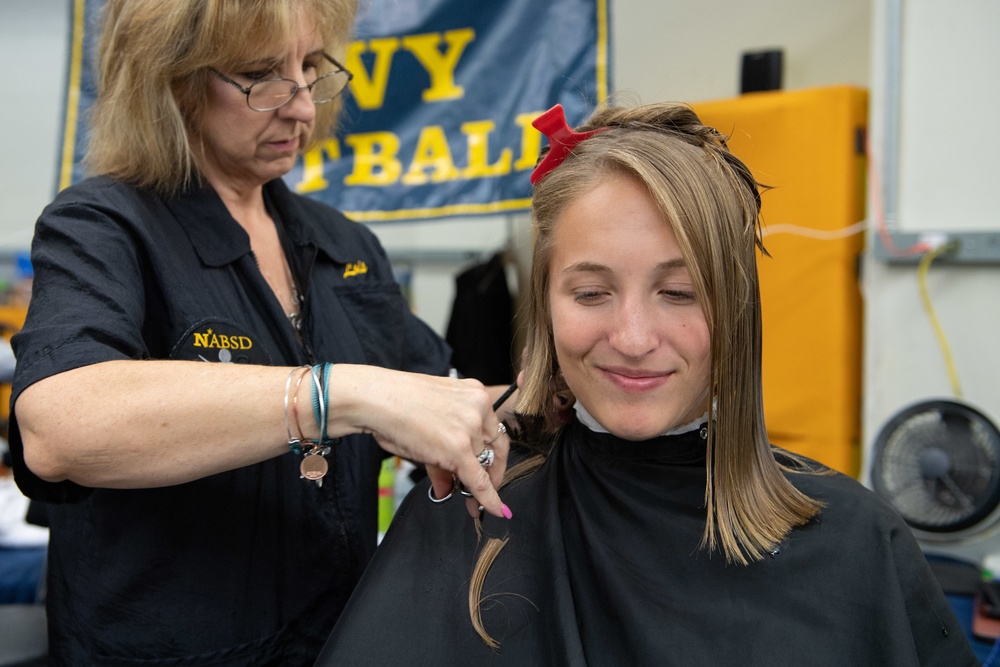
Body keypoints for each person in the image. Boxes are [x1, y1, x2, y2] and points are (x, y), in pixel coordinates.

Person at [316, 101, 979, 665]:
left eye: (680, 291)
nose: (633, 337)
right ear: (546, 303)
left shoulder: (855, 544)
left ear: (736, 311)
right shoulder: (473, 512)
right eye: (592, 291)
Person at [6, 0, 517, 664]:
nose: (302, 107)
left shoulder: (342, 243)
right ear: (172, 80)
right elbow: (57, 426)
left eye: (309, 69)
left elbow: (440, 394)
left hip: (336, 642)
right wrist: (340, 396)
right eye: (261, 76)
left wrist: (567, 397)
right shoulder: (103, 227)